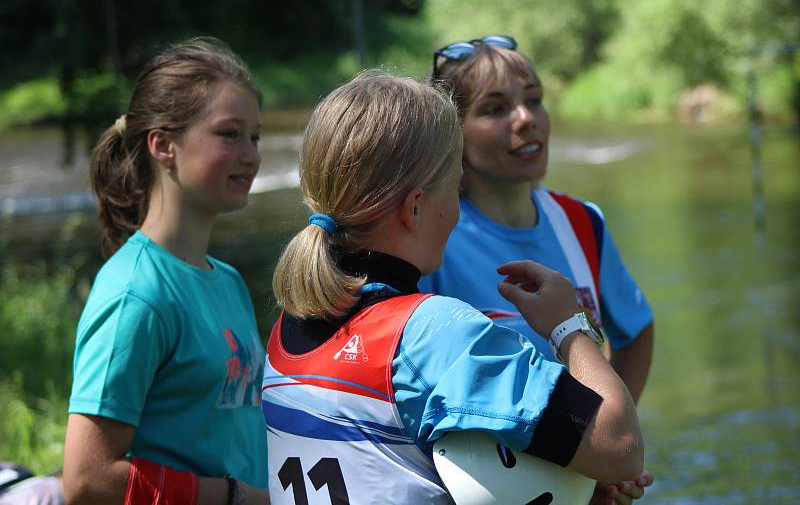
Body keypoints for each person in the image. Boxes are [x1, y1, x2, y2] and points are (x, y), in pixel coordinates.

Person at [263, 71, 643, 504]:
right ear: (416, 207)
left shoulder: (286, 330)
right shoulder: (434, 332)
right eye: (455, 187)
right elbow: (620, 445)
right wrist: (568, 325)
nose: (459, 211)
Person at [420, 34, 655, 503]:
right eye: (495, 109)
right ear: (454, 134)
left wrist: (601, 460)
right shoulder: (431, 235)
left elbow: (637, 331)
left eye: (534, 101)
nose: (526, 119)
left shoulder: (582, 222)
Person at [63, 37, 268, 505]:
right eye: (229, 134)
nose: (251, 154)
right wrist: (234, 497)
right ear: (163, 145)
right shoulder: (135, 294)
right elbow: (86, 479)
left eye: (254, 136)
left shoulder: (229, 281)